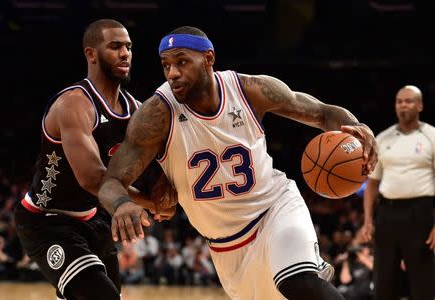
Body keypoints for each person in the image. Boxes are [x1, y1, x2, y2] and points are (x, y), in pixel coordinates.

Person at [99, 26, 377, 300]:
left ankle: (306, 264)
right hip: (225, 246)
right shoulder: (157, 115)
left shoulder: (249, 90)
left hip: (274, 208)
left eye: (182, 62)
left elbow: (321, 113)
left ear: (208, 59)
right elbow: (111, 182)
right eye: (166, 65)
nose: (172, 73)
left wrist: (356, 128)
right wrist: (122, 204)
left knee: (299, 282)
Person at [14, 19, 175, 300]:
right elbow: (92, 178)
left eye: (129, 47)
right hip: (47, 220)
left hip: (94, 219)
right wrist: (143, 203)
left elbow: (155, 169)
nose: (125, 53)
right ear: (91, 54)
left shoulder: (136, 110)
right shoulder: (74, 104)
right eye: (115, 46)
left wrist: (167, 195)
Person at [359, 85, 435, 300]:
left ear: (420, 105)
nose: (403, 104)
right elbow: (372, 183)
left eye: (409, 101)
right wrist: (367, 220)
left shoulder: (431, 136)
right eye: (399, 101)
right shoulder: (383, 138)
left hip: (420, 214)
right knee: (383, 282)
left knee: (423, 284)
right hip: (387, 214)